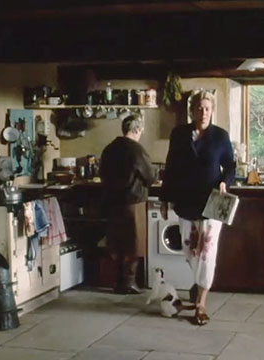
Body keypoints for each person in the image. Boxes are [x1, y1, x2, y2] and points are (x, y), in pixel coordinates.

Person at [159, 90, 235, 325]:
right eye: (199, 108)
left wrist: (225, 181)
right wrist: (164, 199)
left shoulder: (220, 136)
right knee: (190, 250)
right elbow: (170, 167)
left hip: (211, 202)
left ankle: (201, 303)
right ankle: (198, 283)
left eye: (207, 109)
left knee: (207, 253)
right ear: (191, 111)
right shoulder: (179, 134)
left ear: (212, 111)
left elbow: (231, 165)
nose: (203, 113)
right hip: (185, 201)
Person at [100, 113, 156, 294]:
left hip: (112, 201)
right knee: (134, 243)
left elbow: (102, 174)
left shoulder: (109, 149)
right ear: (137, 130)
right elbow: (150, 176)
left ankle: (117, 282)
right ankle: (129, 281)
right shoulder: (136, 150)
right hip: (133, 202)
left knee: (117, 243)